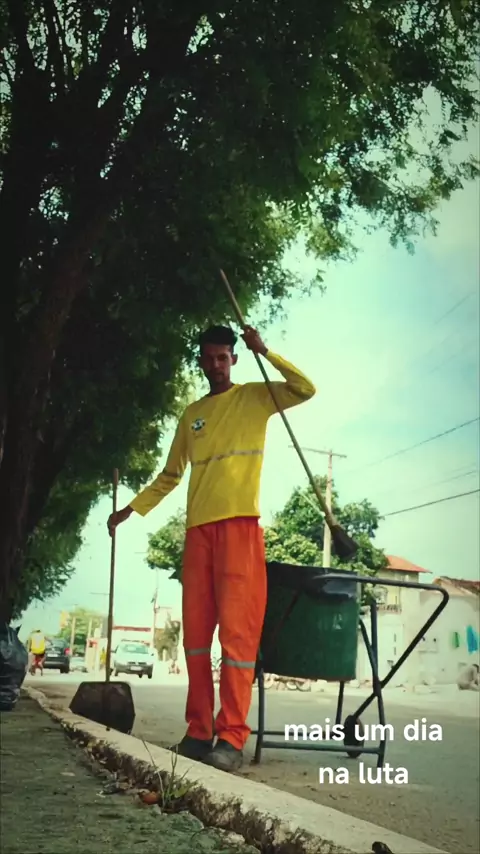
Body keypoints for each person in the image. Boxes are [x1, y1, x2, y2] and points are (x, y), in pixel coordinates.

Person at [108, 324, 316, 771]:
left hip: (240, 529)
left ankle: (232, 737)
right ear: (201, 362)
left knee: (237, 637)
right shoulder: (192, 415)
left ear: (234, 359)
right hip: (198, 533)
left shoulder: (255, 397)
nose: (216, 364)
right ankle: (199, 732)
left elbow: (305, 388)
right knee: (198, 638)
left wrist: (267, 351)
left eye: (224, 357)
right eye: (209, 358)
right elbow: (170, 474)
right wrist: (131, 509)